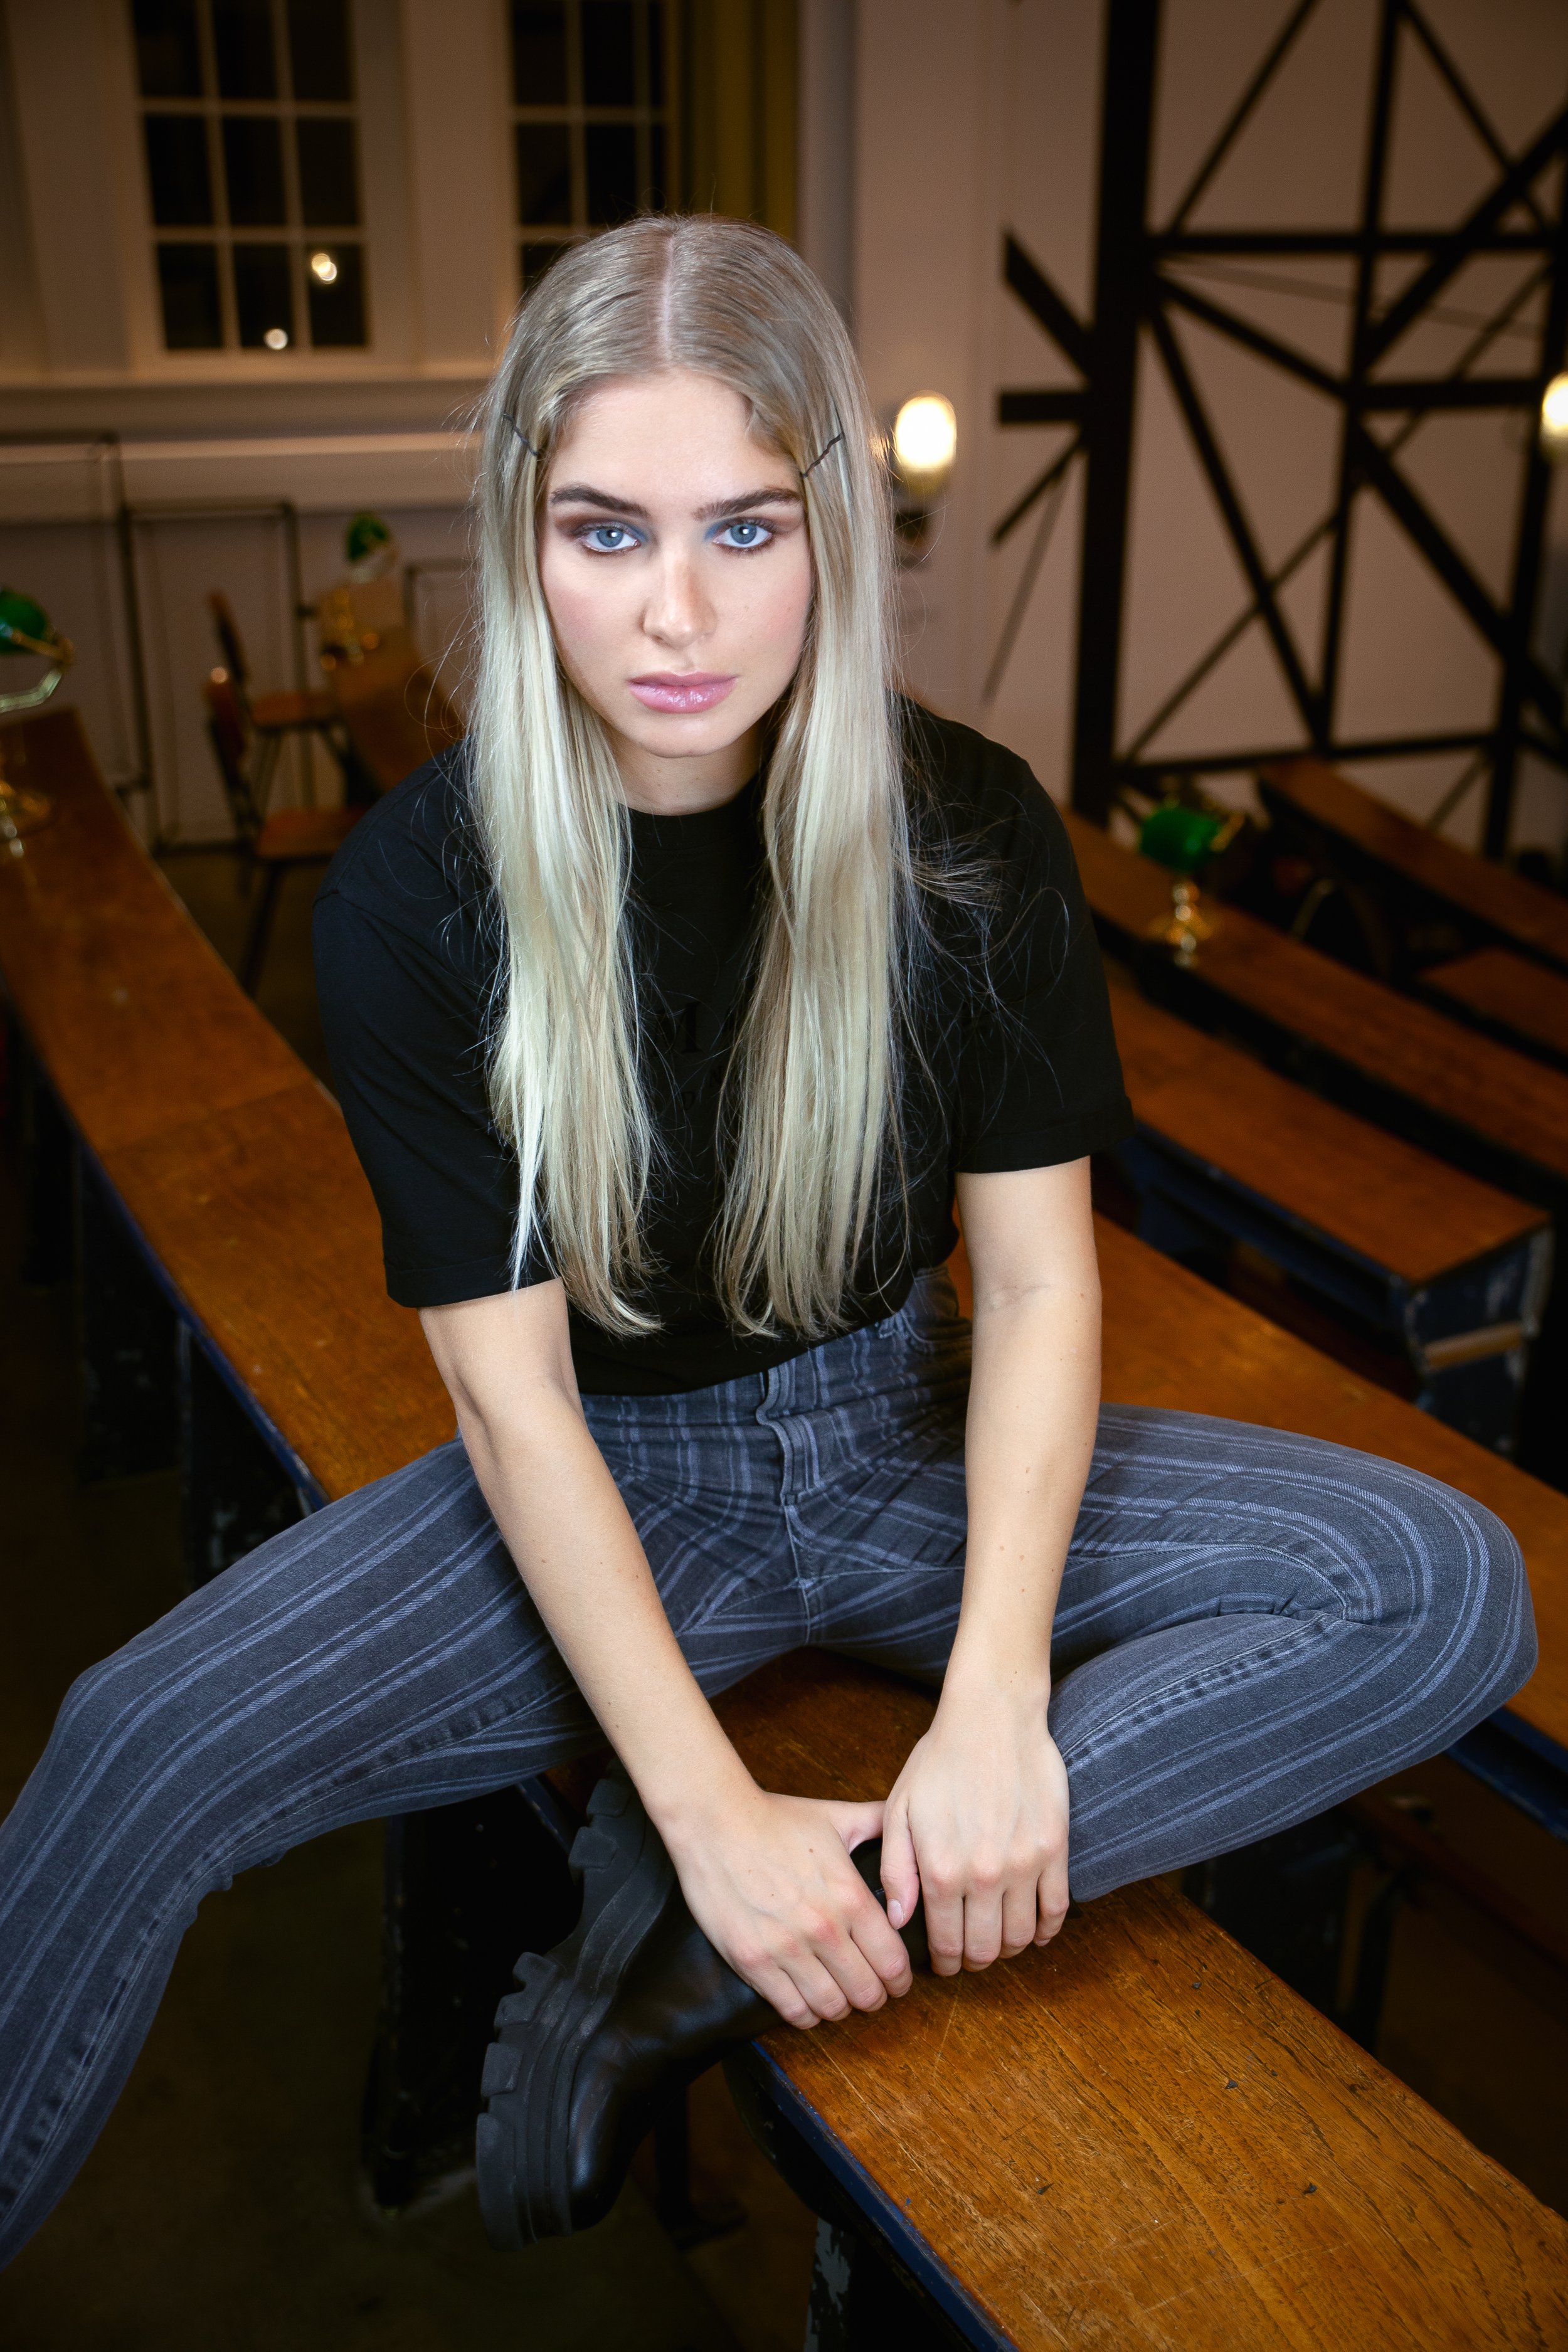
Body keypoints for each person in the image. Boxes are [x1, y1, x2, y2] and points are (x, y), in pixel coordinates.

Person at [0, 216, 1535, 2265]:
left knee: (1437, 1583)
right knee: (130, 1747)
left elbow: (1046, 1286)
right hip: (618, 1478)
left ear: (829, 525)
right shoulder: (419, 899)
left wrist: (992, 1700)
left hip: (905, 1434)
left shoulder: (963, 835)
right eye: (603, 532)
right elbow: (507, 1397)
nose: (673, 617)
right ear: (519, 537)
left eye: (740, 529)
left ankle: (715, 1962)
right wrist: (708, 1800)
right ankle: (713, 1884)